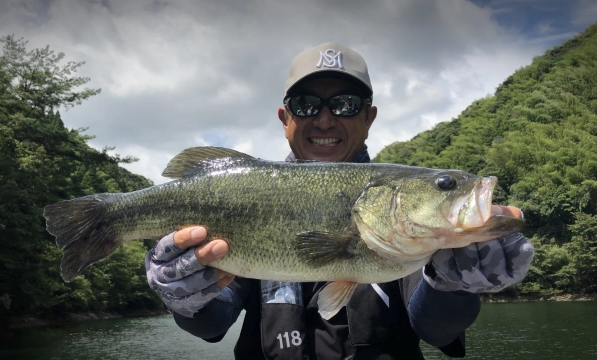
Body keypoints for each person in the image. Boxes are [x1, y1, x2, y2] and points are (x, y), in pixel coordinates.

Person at [145, 43, 535, 359]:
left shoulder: (413, 241)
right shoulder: (249, 196)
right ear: (285, 119)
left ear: (369, 117)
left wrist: (454, 285)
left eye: (345, 104)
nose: (326, 119)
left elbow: (436, 329)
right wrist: (184, 299)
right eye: (306, 105)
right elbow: (213, 323)